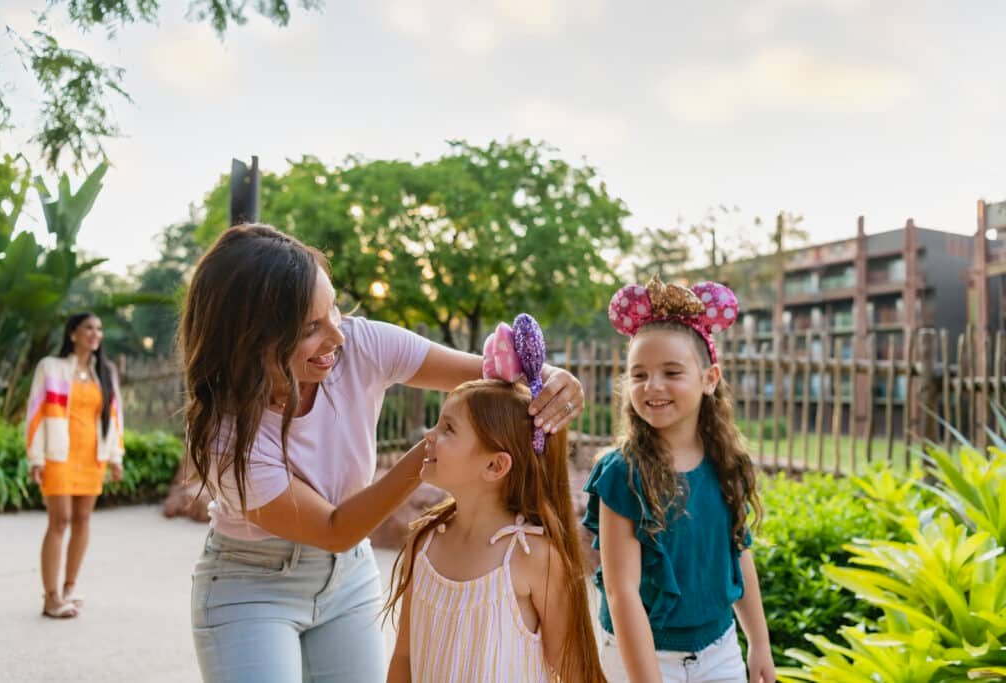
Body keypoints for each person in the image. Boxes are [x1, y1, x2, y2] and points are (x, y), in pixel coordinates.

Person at [181, 225, 584, 683]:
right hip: (253, 584)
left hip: (346, 578)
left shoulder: (361, 345)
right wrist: (431, 451)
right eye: (311, 327)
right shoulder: (229, 436)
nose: (338, 335)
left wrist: (552, 380)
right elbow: (334, 529)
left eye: (332, 308)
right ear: (251, 340)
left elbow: (493, 376)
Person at [384, 315, 606, 683]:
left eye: (448, 429)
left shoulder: (533, 558)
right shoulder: (422, 542)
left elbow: (576, 673)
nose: (429, 435)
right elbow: (404, 658)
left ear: (495, 465)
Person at [583, 278, 775, 683]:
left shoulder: (726, 463)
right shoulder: (623, 472)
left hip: (720, 652)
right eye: (639, 375)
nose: (653, 386)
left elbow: (739, 554)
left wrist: (758, 640)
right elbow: (621, 593)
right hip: (640, 657)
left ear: (709, 379)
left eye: (671, 372)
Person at [25, 312, 125, 619]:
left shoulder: (105, 372)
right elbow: (35, 414)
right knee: (60, 520)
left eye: (99, 329)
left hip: (91, 457)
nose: (95, 334)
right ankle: (51, 597)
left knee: (82, 520)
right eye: (88, 328)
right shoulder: (50, 368)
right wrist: (36, 458)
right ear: (73, 334)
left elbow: (115, 417)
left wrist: (115, 456)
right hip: (58, 455)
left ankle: (69, 588)